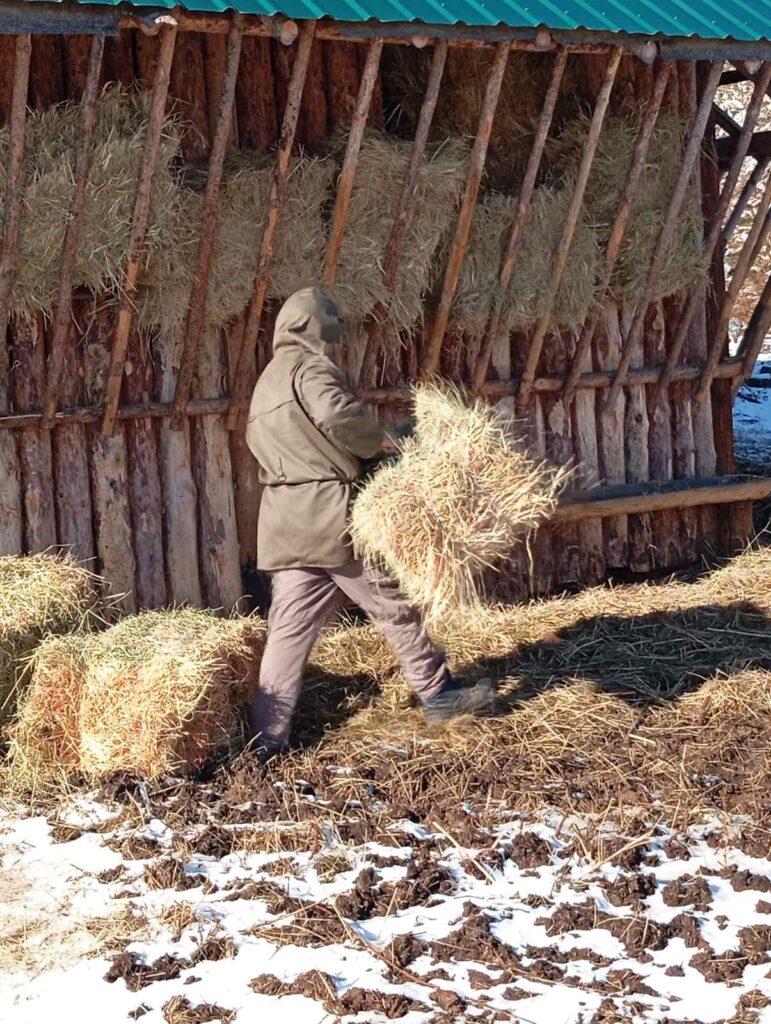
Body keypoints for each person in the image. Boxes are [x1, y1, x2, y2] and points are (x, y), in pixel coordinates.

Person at [245, 287, 493, 759]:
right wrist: (377, 441)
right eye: (329, 330)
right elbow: (334, 413)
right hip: (330, 516)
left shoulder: (267, 381)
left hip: (284, 518)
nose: (332, 342)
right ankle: (439, 694)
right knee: (393, 604)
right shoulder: (309, 367)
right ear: (313, 327)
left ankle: (266, 739)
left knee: (288, 632)